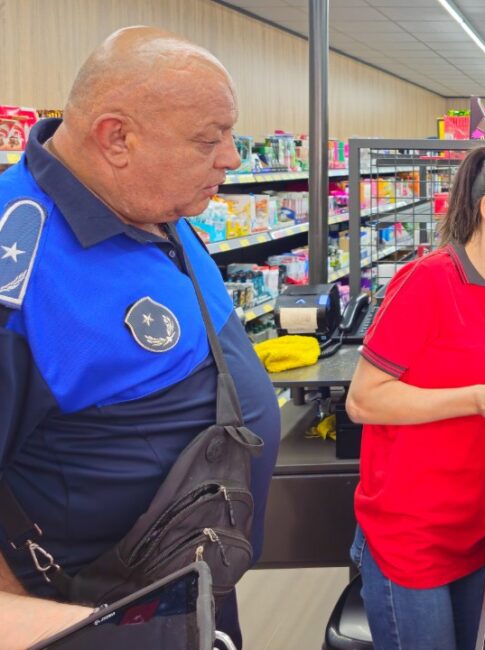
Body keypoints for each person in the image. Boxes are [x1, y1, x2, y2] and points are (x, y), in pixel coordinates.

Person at [0, 27, 281, 648]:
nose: (232, 159)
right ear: (117, 138)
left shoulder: (154, 204)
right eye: (209, 140)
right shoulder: (16, 259)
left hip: (188, 587)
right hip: (91, 616)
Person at [344, 145, 485, 650]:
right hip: (413, 540)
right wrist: (473, 399)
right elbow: (363, 400)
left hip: (478, 530)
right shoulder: (425, 282)